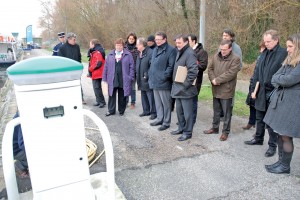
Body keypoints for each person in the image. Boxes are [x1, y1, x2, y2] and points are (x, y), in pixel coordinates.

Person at [244, 30, 288, 158]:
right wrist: (253, 89)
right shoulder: (264, 53)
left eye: (269, 41)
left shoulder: (283, 53)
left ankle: (272, 146)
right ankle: (258, 138)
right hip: (260, 90)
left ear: (276, 40)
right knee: (259, 117)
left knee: (271, 122)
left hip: (273, 92)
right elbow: (257, 71)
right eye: (265, 41)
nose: (266, 44)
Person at [263, 34, 300, 174]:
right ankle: (280, 161)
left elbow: (288, 80)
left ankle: (285, 166)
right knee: (279, 134)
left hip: (292, 105)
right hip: (282, 102)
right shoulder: (289, 61)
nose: (288, 49)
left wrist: (281, 79)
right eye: (287, 46)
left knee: (286, 135)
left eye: (291, 46)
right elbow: (274, 77)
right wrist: (281, 79)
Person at [203, 40, 240, 141]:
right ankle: (215, 128)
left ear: (230, 49)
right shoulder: (216, 56)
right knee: (216, 110)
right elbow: (210, 69)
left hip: (226, 90)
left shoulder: (235, 59)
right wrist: (213, 79)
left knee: (227, 113)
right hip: (216, 88)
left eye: (225, 50)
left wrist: (217, 80)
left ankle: (225, 132)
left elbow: (231, 73)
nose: (222, 51)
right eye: (221, 49)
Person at [170, 34, 198, 141]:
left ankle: (187, 132)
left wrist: (185, 85)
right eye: (176, 42)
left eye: (179, 42)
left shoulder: (190, 53)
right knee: (179, 111)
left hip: (186, 90)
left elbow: (193, 71)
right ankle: (181, 128)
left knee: (187, 113)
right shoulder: (180, 51)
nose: (177, 44)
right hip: (178, 88)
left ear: (186, 42)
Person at [148, 31, 176, 131]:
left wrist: (164, 77)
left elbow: (171, 66)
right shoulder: (155, 49)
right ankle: (159, 119)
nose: (157, 41)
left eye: (159, 39)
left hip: (164, 82)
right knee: (158, 103)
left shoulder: (171, 50)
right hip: (154, 81)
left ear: (165, 39)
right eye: (156, 40)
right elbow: (152, 63)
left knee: (166, 103)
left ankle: (166, 122)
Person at [103, 38, 135, 116]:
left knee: (122, 95)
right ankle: (111, 110)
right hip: (112, 78)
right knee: (111, 95)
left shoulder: (128, 54)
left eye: (120, 45)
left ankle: (121, 110)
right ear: (115, 46)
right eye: (117, 45)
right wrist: (104, 78)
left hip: (123, 78)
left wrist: (130, 77)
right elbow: (106, 67)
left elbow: (132, 66)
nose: (118, 47)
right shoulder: (110, 54)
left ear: (123, 46)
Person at [243, 42, 266, 130]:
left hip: (261, 85)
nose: (261, 50)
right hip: (254, 82)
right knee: (252, 104)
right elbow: (256, 71)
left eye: (263, 48)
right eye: (261, 48)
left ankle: (258, 129)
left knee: (259, 106)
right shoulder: (260, 57)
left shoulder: (267, 58)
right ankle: (251, 122)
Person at [58, 32, 86, 104]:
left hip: (76, 70)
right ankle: (69, 99)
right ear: (69, 39)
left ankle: (81, 98)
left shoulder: (77, 46)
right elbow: (60, 60)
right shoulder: (62, 48)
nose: (75, 41)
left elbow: (79, 57)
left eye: (75, 39)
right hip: (67, 71)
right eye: (74, 40)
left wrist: (79, 65)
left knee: (78, 84)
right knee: (68, 85)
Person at [188, 34, 208, 124]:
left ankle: (192, 120)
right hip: (187, 79)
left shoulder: (202, 52)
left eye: (188, 41)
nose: (187, 43)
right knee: (186, 100)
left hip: (196, 80)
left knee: (193, 101)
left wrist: (192, 65)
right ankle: (186, 118)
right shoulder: (188, 51)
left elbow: (203, 66)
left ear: (194, 41)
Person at [136, 37, 156, 119]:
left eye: (137, 44)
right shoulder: (139, 53)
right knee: (143, 95)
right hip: (140, 77)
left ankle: (153, 113)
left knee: (150, 96)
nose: (136, 46)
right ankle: (146, 111)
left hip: (147, 78)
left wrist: (146, 75)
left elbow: (152, 66)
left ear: (141, 44)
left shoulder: (150, 52)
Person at [88, 39, 106, 108]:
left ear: (93, 44)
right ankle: (98, 101)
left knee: (97, 88)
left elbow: (98, 63)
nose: (89, 46)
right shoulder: (95, 51)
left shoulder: (98, 52)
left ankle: (102, 102)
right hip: (95, 73)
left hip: (98, 73)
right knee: (96, 88)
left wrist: (90, 69)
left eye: (90, 44)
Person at [125, 32, 139, 109]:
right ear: (128, 39)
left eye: (132, 39)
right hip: (125, 71)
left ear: (135, 40)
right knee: (126, 87)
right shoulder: (124, 48)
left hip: (133, 71)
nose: (131, 40)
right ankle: (126, 101)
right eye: (130, 38)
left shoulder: (137, 49)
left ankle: (133, 102)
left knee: (133, 87)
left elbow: (137, 61)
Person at [13, 111, 29, 178]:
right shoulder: (25, 111)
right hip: (18, 151)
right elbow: (22, 144)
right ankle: (20, 164)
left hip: (20, 147)